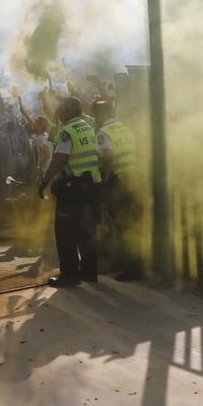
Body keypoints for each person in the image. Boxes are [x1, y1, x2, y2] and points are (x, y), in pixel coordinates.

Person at [36, 95, 114, 287]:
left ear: (68, 111)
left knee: (65, 235)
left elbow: (59, 159)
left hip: (73, 190)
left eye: (61, 108)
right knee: (87, 233)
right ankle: (89, 272)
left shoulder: (68, 132)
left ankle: (69, 275)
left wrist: (45, 181)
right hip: (90, 188)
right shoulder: (88, 127)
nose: (58, 112)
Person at [94, 100, 143, 281]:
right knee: (130, 225)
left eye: (95, 116)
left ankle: (132, 269)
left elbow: (107, 160)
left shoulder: (103, 133)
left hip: (117, 185)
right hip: (132, 181)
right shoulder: (124, 128)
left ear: (100, 114)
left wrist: (103, 184)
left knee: (122, 227)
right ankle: (132, 263)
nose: (95, 119)